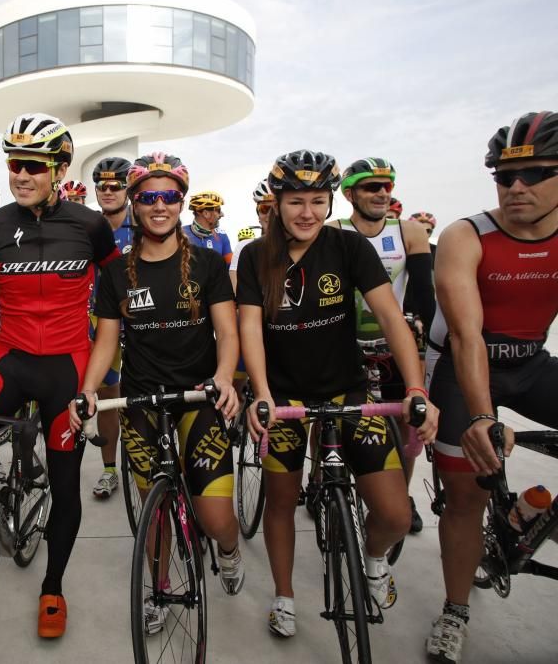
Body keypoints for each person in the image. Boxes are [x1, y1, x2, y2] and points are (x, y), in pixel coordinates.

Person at [236, 149, 437, 638]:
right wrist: (261, 392)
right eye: (296, 201)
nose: (307, 212)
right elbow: (250, 329)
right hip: (284, 398)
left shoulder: (347, 248)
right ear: (277, 204)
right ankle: (284, 596)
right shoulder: (255, 256)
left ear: (330, 203)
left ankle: (373, 560)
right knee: (281, 502)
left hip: (349, 393)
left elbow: (391, 318)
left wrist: (416, 389)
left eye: (318, 201)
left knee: (393, 513)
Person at [0, 112, 119, 639]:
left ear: (60, 168)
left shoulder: (89, 225)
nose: (20, 174)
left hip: (67, 366)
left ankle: (53, 586)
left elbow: (118, 292)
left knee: (66, 487)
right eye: (13, 163)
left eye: (32, 165)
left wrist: (112, 360)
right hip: (10, 358)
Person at [70, 151, 245, 632]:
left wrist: (225, 377)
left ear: (182, 203)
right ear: (134, 203)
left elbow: (227, 333)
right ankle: (161, 589)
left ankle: (228, 551)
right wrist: (88, 391)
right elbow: (106, 341)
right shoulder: (115, 273)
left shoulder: (207, 264)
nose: (159, 206)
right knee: (155, 517)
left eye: (169, 196)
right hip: (142, 401)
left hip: (199, 396)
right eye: (148, 198)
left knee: (215, 519)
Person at [424, 110, 558, 663]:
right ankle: (455, 610)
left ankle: (524, 515)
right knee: (466, 496)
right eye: (504, 178)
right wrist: (482, 417)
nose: (516, 188)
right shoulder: (466, 234)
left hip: (529, 362)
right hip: (463, 365)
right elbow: (465, 334)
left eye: (534, 175)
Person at [334, 157, 436, 534]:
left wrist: (428, 334)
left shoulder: (408, 231)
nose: (381, 193)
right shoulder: (335, 229)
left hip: (393, 338)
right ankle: (320, 480)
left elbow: (424, 292)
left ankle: (402, 494)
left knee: (404, 422)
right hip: (345, 340)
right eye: (370, 187)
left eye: (386, 186)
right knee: (329, 416)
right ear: (350, 194)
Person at [86, 156, 135, 498]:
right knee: (107, 397)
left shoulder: (144, 222)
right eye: (101, 186)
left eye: (115, 185)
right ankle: (109, 469)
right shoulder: (88, 225)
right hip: (97, 321)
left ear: (128, 189)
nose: (107, 191)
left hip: (141, 320)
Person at [229, 178, 274, 292]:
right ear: (258, 215)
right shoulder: (244, 247)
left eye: (276, 208)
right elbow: (235, 289)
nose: (270, 215)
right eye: (264, 209)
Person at [184, 191, 232, 264]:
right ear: (206, 213)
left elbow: (230, 267)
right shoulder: (180, 233)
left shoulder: (222, 236)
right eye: (218, 210)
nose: (222, 214)